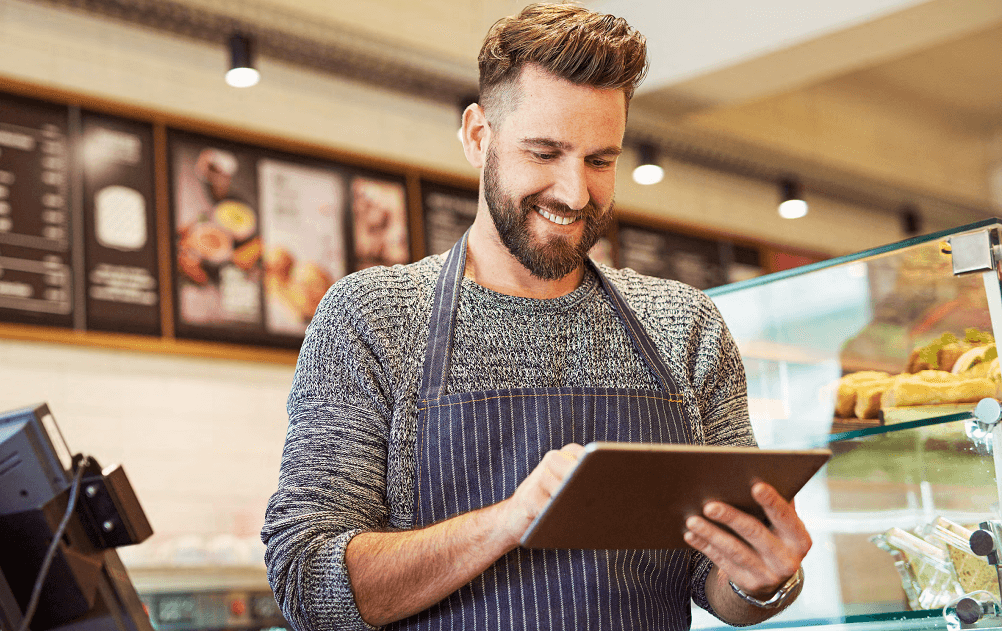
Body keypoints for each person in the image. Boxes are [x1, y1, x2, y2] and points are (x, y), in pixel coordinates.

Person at [262, 4, 812, 630]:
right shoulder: (371, 317)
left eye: (600, 161)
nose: (575, 194)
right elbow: (307, 586)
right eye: (544, 152)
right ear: (478, 136)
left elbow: (718, 582)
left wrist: (764, 581)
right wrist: (511, 521)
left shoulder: (684, 326)